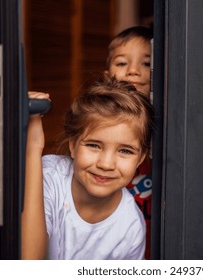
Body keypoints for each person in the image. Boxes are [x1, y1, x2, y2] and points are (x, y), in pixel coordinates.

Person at [21, 75, 154, 260]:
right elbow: (28, 264)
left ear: (140, 159)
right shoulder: (49, 178)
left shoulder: (130, 227)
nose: (106, 164)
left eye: (125, 151)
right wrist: (33, 147)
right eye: (93, 145)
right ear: (73, 145)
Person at [105, 25, 154, 259]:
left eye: (146, 63)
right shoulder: (97, 122)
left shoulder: (173, 128)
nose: (133, 71)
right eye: (122, 63)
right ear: (107, 76)